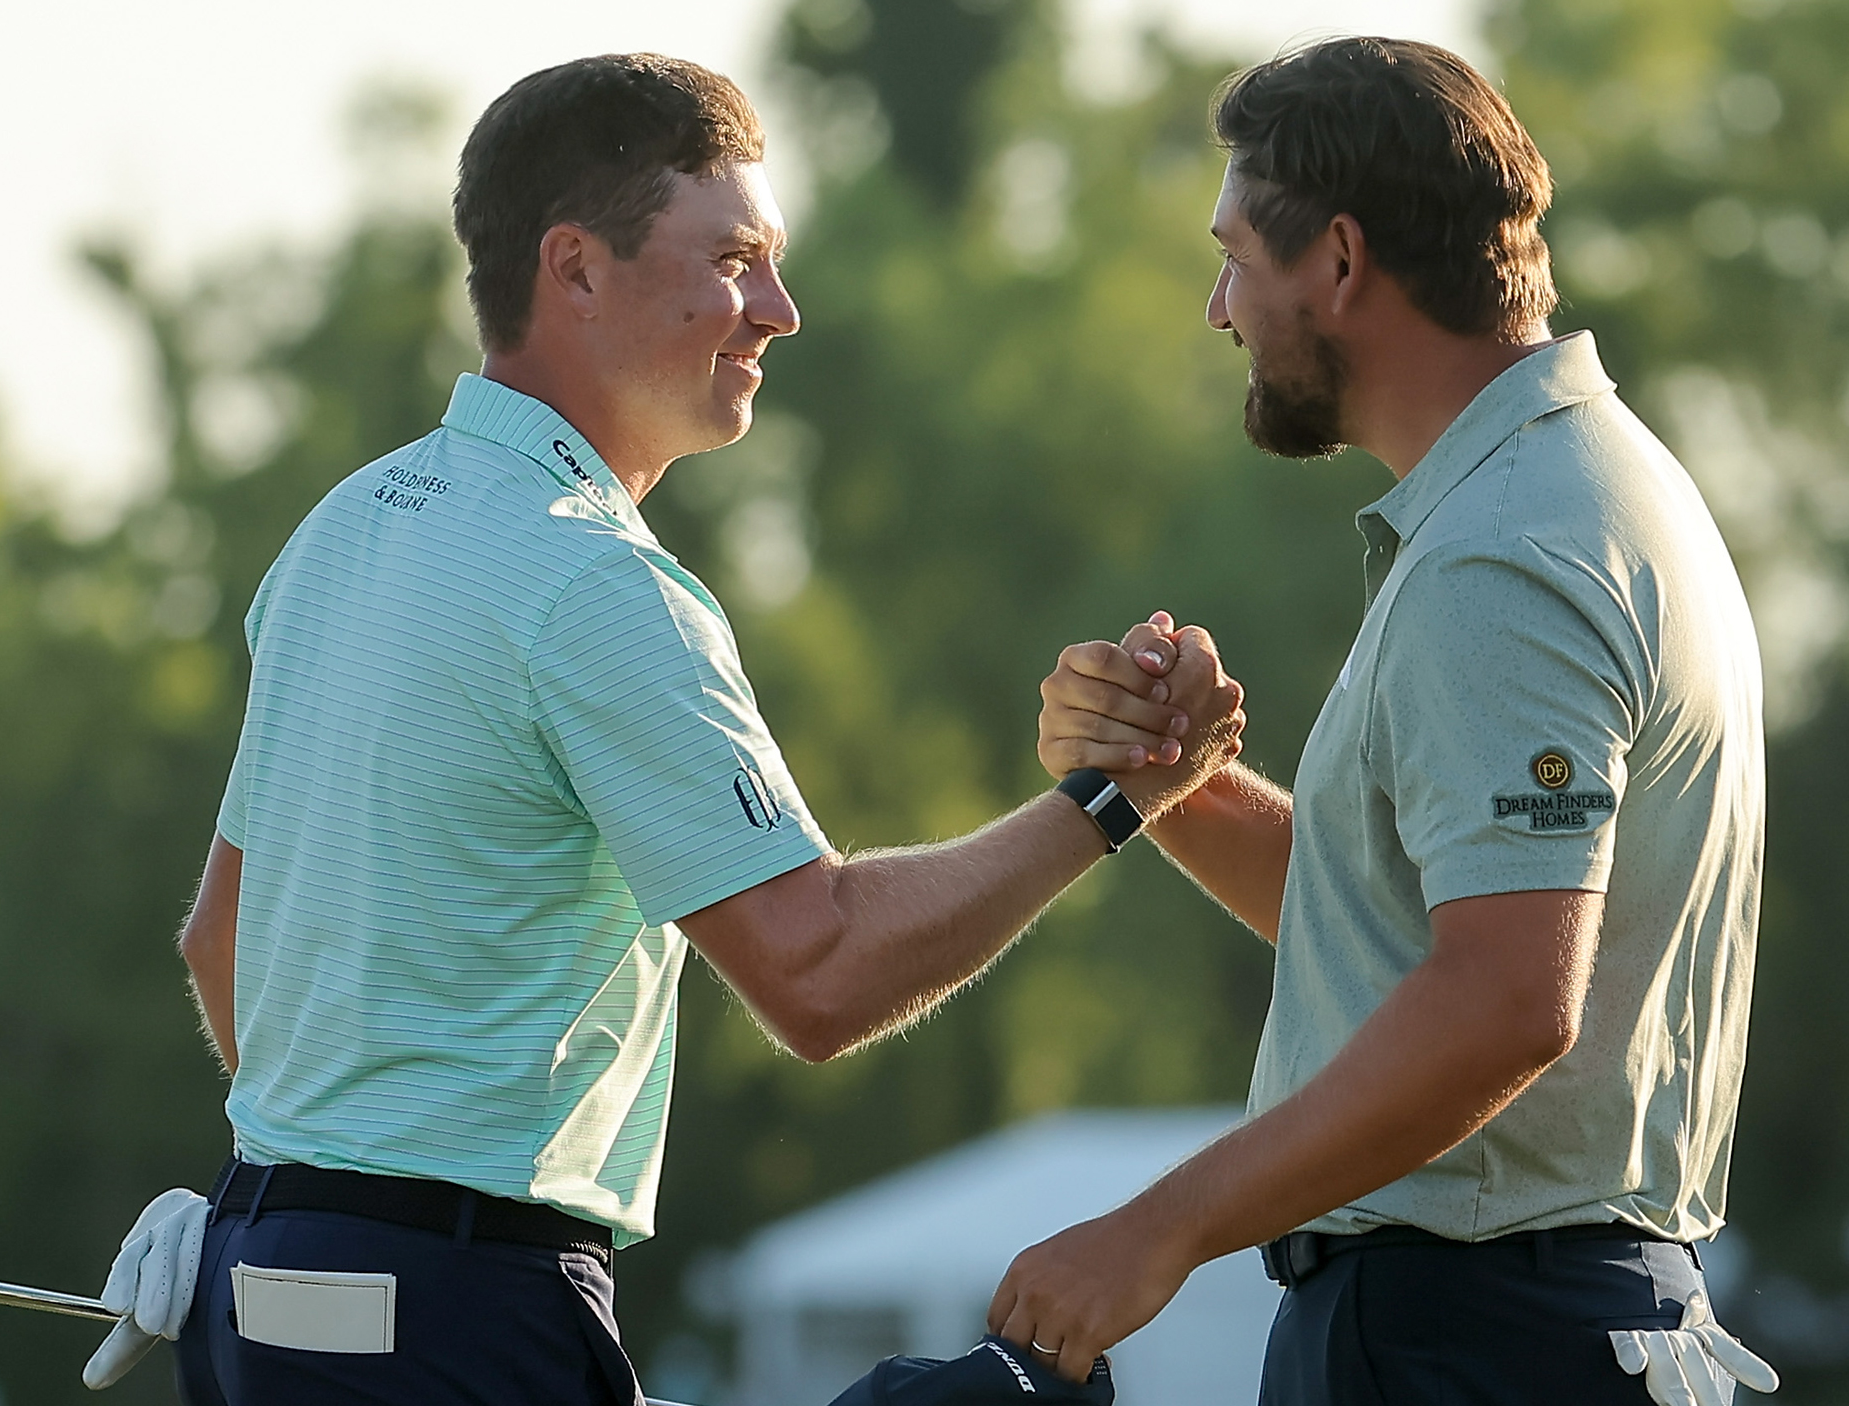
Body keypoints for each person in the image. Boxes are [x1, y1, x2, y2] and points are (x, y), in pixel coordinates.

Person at [80, 53, 1248, 1406]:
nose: (779, 310)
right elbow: (819, 972)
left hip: (256, 1280)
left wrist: (293, 1205)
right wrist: (1113, 801)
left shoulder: (342, 528)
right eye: (736, 260)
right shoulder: (597, 582)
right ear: (573, 268)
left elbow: (222, 941)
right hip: (461, 1306)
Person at [992, 37, 1779, 1406]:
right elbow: (1427, 935)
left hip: (1467, 1333)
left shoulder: (1506, 554)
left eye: (1237, 255)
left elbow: (1501, 999)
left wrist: (1153, 1230)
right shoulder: (1583, 487)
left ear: (1341, 263)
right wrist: (1181, 782)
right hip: (1529, 1319)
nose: (1219, 306)